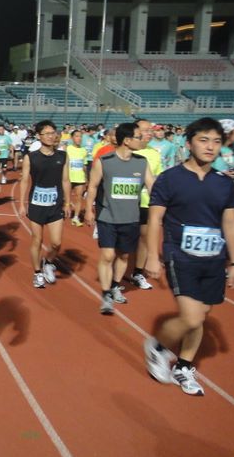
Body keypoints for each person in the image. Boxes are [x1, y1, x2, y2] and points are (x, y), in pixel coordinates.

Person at [143, 117, 234, 396]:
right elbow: (155, 219)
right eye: (203, 140)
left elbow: (230, 223)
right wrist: (152, 255)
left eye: (216, 141)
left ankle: (183, 366)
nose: (210, 147)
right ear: (189, 144)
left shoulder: (224, 183)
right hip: (180, 256)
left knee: (202, 314)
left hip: (214, 258)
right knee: (192, 317)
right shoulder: (169, 179)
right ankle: (157, 346)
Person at [85, 122, 153, 314]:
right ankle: (106, 294)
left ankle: (115, 285)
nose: (143, 140)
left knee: (124, 255)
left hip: (131, 218)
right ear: (127, 140)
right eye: (139, 137)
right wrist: (89, 209)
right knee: (108, 255)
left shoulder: (142, 162)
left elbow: (152, 186)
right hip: (107, 216)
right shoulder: (104, 161)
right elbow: (93, 186)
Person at [18, 120, 71, 288]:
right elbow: (24, 180)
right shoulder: (31, 157)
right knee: (37, 239)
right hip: (36, 204)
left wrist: (67, 203)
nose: (51, 136)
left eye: (53, 133)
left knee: (56, 243)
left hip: (55, 204)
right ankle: (37, 272)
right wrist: (22, 204)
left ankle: (48, 261)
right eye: (47, 133)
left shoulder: (62, 156)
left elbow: (66, 180)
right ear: (39, 136)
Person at [129, 119, 163, 291]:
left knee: (144, 237)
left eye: (151, 130)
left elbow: (158, 178)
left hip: (146, 203)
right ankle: (116, 273)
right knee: (124, 239)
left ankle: (137, 272)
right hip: (126, 203)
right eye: (146, 130)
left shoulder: (154, 153)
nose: (150, 133)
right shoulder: (126, 151)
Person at [66, 130, 88, 226]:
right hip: (68, 178)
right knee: (64, 197)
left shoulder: (83, 150)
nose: (79, 138)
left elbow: (84, 165)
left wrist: (86, 178)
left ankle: (76, 217)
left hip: (80, 178)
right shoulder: (67, 149)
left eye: (80, 136)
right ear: (72, 138)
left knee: (79, 198)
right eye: (77, 136)